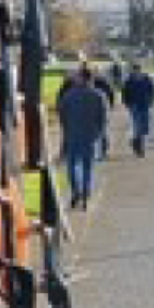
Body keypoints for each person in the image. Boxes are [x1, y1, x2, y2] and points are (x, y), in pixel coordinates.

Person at [56, 69, 109, 209]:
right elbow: (103, 117)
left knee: (72, 167)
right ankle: (85, 194)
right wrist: (99, 133)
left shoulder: (69, 95)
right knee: (88, 168)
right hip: (91, 136)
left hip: (73, 135)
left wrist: (66, 129)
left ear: (81, 78)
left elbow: (61, 114)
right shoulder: (99, 95)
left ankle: (76, 192)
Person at [123, 61, 154, 157]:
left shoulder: (147, 79)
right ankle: (140, 149)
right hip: (134, 106)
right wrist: (128, 104)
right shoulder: (128, 81)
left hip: (145, 105)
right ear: (132, 71)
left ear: (140, 70)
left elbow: (153, 91)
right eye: (134, 71)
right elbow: (124, 94)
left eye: (138, 70)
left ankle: (134, 141)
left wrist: (151, 101)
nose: (136, 72)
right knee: (137, 127)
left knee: (146, 128)